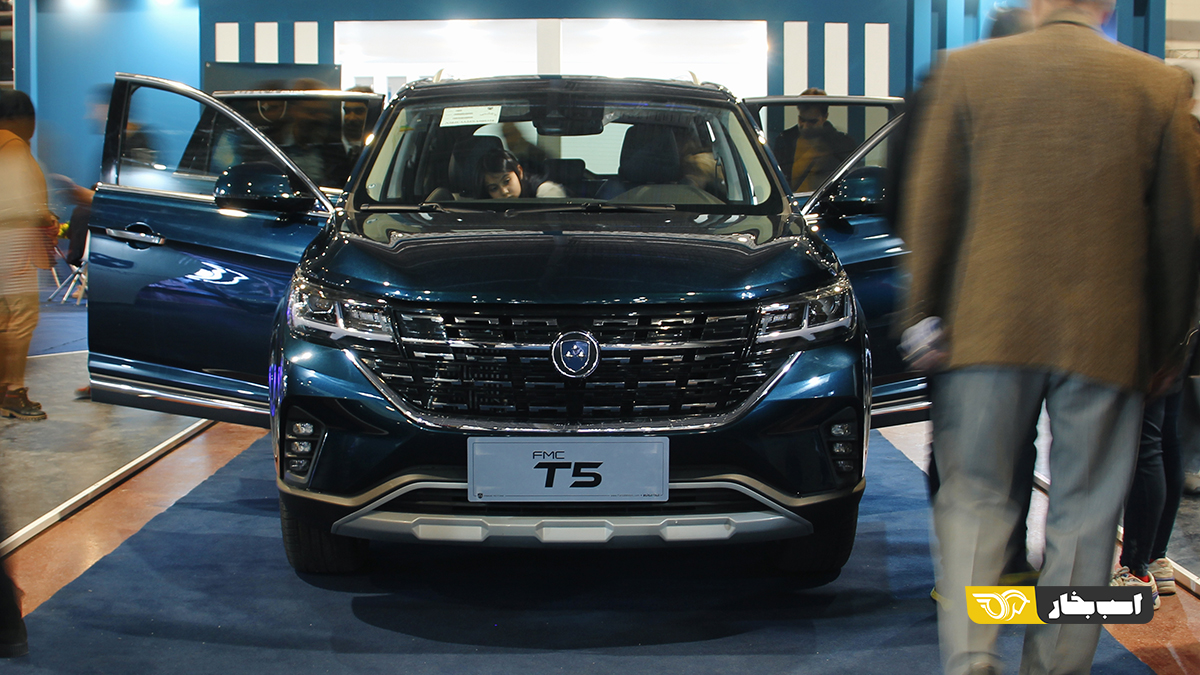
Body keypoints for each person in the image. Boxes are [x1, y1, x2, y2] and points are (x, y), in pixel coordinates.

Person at [898, 1, 1200, 674]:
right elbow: (1180, 235)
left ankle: (972, 660)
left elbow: (932, 205)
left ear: (1037, 3)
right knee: (1085, 519)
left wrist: (925, 314)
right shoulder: (1158, 86)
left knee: (976, 503)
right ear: (1107, 5)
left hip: (985, 331)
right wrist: (1169, 348)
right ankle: (1056, 667)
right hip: (1107, 340)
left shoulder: (965, 72)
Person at [0, 89, 56, 424]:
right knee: (21, 318)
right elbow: (23, 202)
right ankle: (13, 390)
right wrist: (47, 219)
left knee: (3, 320)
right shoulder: (13, 147)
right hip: (13, 245)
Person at [771, 87, 859, 193]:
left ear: (825, 117)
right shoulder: (785, 140)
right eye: (802, 120)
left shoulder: (843, 144)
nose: (805, 126)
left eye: (812, 121)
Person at [472, 149, 565, 199]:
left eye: (506, 181)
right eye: (494, 188)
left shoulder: (547, 192)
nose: (504, 192)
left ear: (519, 171)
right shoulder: (481, 204)